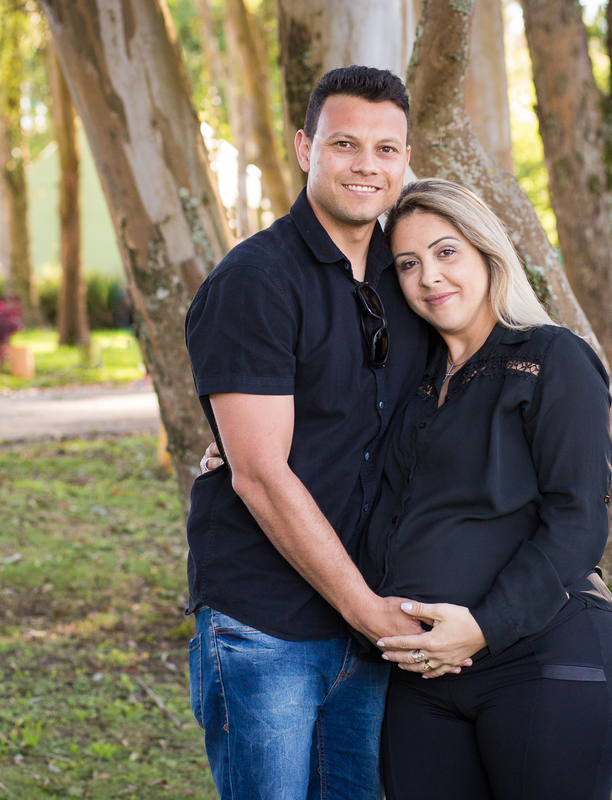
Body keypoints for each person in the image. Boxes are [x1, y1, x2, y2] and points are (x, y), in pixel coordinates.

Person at [183, 66, 431, 800]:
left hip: (373, 624)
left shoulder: (410, 277)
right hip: (268, 625)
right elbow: (260, 473)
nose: (366, 165)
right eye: (345, 143)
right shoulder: (255, 281)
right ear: (304, 148)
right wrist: (367, 611)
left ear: (406, 159)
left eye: (387, 149)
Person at [362, 178, 612, 799]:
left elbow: (578, 520)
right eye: (408, 263)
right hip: (421, 677)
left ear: (487, 252)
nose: (429, 276)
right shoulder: (409, 380)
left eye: (446, 252)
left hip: (542, 658)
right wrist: (244, 447)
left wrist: (484, 626)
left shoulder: (552, 358)